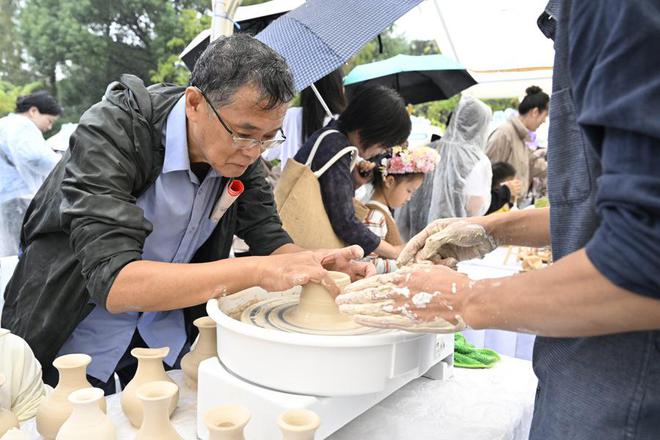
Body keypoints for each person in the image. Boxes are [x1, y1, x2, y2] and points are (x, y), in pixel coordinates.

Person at [336, 2, 660, 438]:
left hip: (623, 390)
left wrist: (461, 299)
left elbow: (643, 261)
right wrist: (492, 230)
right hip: (586, 366)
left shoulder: (614, 8)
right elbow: (603, 210)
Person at [2, 34, 371, 393]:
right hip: (71, 336)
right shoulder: (115, 130)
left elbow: (269, 239)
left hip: (162, 340)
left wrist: (314, 262)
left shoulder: (243, 154)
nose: (255, 151)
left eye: (270, 137)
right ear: (194, 103)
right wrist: (258, 270)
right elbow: (115, 282)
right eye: (245, 134)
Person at [293, 85, 412, 260]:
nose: (380, 152)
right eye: (383, 144)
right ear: (370, 129)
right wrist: (393, 251)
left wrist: (354, 182)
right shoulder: (335, 146)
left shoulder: (334, 140)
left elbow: (330, 198)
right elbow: (344, 221)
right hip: (298, 245)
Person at [395, 95, 493, 241]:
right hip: (452, 242)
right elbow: (475, 207)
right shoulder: (478, 161)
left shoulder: (424, 151)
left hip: (411, 237)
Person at [0, 92, 62, 256]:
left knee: (9, 254)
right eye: (49, 121)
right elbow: (35, 157)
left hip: (6, 198)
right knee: (22, 253)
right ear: (33, 111)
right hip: (19, 199)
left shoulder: (5, 123)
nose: (49, 127)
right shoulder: (22, 125)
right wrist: (62, 165)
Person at [362, 146, 439, 273]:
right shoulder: (375, 215)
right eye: (409, 191)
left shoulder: (383, 212)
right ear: (390, 181)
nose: (409, 198)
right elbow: (366, 263)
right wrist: (407, 265)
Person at [262, 68, 346, 167]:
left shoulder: (290, 116)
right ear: (336, 87)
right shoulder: (342, 123)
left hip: (291, 180)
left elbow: (266, 154)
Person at [485, 86, 549, 198]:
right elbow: (489, 171)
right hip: (501, 206)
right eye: (544, 116)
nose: (544, 121)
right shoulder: (505, 134)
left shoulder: (522, 137)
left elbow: (534, 165)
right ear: (535, 112)